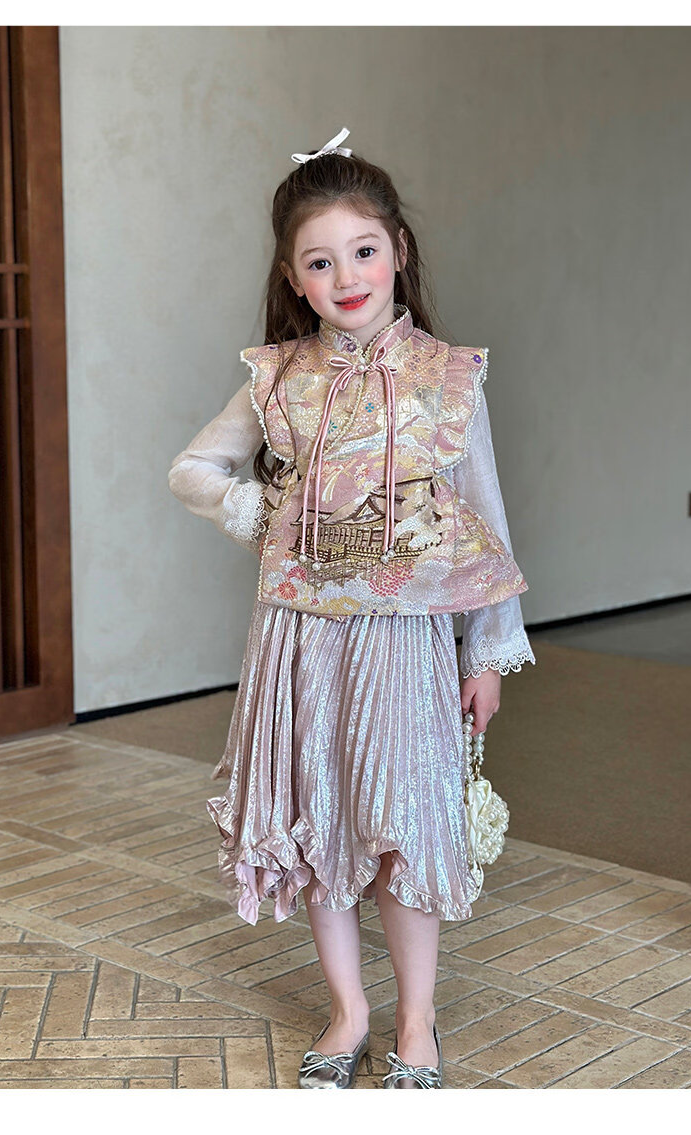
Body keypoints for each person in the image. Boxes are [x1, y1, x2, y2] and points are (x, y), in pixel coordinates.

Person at [167, 127, 536, 1089]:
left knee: (399, 825)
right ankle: (349, 1011)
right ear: (295, 279)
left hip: (407, 641)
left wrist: (488, 653)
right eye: (320, 261)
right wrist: (267, 514)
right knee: (319, 817)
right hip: (298, 639)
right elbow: (193, 470)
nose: (346, 276)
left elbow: (487, 520)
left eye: (363, 251)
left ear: (398, 250)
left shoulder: (450, 377)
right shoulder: (279, 377)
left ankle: (416, 1020)